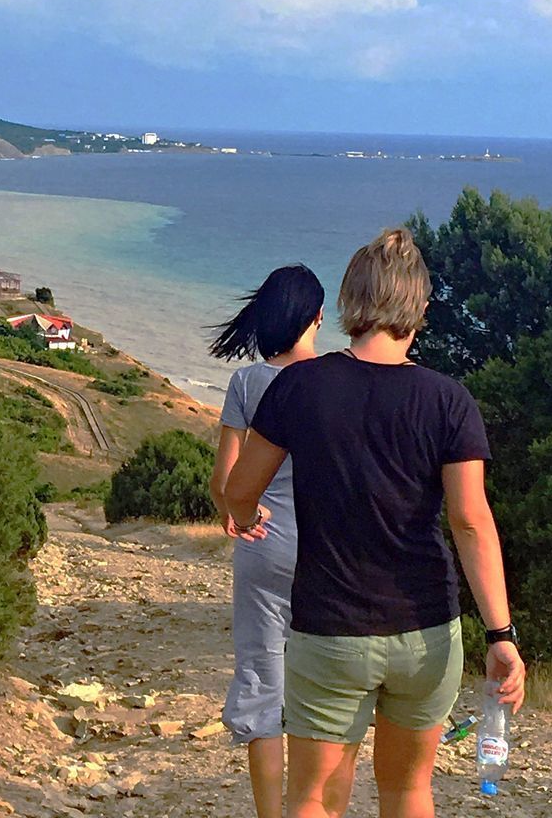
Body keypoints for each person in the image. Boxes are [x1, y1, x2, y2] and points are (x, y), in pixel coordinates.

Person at [223, 228, 526, 818]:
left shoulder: (299, 386)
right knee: (409, 790)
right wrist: (501, 636)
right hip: (427, 633)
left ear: (348, 303)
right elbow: (470, 523)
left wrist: (245, 516)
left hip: (330, 628)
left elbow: (239, 489)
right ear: (421, 308)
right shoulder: (448, 399)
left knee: (315, 797)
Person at [209, 265, 325, 818]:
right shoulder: (333, 379)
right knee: (322, 691)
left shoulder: (247, 382)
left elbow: (225, 483)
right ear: (318, 318)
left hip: (266, 547)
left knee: (262, 685)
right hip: (329, 550)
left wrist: (238, 516)